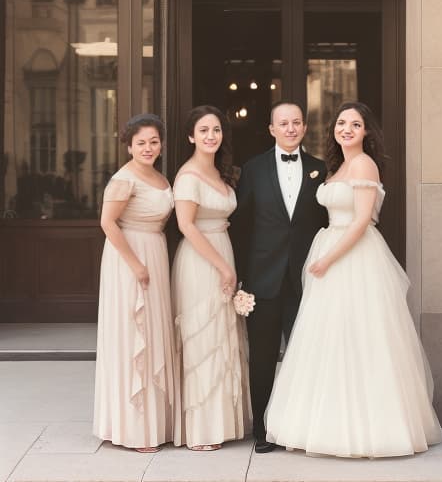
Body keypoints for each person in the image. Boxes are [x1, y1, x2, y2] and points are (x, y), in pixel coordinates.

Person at [265, 102, 442, 458]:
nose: (347, 129)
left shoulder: (364, 164)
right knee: (329, 339)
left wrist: (327, 259)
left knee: (362, 338)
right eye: (342, 123)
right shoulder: (339, 166)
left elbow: (362, 221)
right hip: (331, 250)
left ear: (366, 132)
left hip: (354, 256)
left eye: (356, 124)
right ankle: (327, 423)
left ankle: (369, 429)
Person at [231, 102, 328, 453]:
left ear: (304, 128)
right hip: (263, 279)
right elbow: (241, 226)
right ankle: (262, 429)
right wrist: (242, 278)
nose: (290, 128)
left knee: (308, 355)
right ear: (271, 129)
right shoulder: (253, 169)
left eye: (296, 123)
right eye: (283, 123)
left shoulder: (321, 168)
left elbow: (327, 224)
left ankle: (303, 426)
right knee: (262, 357)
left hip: (308, 280)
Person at [93, 113, 181, 452]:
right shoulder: (123, 178)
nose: (148, 147)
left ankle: (157, 424)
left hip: (155, 249)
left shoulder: (159, 176)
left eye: (153, 141)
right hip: (129, 256)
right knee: (135, 335)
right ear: (129, 145)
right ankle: (134, 428)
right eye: (141, 142)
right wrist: (136, 265)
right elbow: (108, 222)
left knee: (155, 330)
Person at [171, 105, 251, 451]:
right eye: (203, 130)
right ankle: (202, 430)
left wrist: (228, 264)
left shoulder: (221, 174)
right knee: (202, 337)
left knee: (223, 335)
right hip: (201, 259)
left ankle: (225, 424)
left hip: (223, 248)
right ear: (191, 136)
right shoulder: (187, 176)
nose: (210, 136)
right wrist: (223, 266)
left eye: (216, 130)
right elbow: (186, 225)